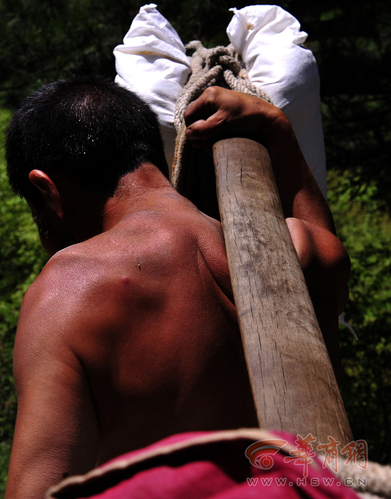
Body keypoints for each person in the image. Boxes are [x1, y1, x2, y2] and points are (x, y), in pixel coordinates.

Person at [5, 75, 349, 499]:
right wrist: (278, 131)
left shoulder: (67, 292)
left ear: (48, 191)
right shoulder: (297, 249)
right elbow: (325, 247)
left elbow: (37, 490)